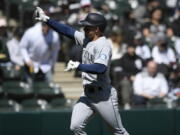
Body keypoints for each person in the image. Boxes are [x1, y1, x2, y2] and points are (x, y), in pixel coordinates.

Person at [34, 7, 129, 135]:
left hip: (104, 96)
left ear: (97, 29)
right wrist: (47, 20)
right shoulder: (87, 39)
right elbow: (67, 31)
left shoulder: (103, 45)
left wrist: (79, 66)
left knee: (119, 131)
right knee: (75, 126)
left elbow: (100, 68)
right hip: (88, 95)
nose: (84, 29)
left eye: (87, 27)